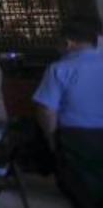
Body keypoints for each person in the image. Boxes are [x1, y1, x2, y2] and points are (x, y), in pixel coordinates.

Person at [34, 17, 103, 208]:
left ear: (67, 43)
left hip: (78, 140)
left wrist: (51, 137)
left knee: (85, 193)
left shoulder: (60, 69)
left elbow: (47, 110)